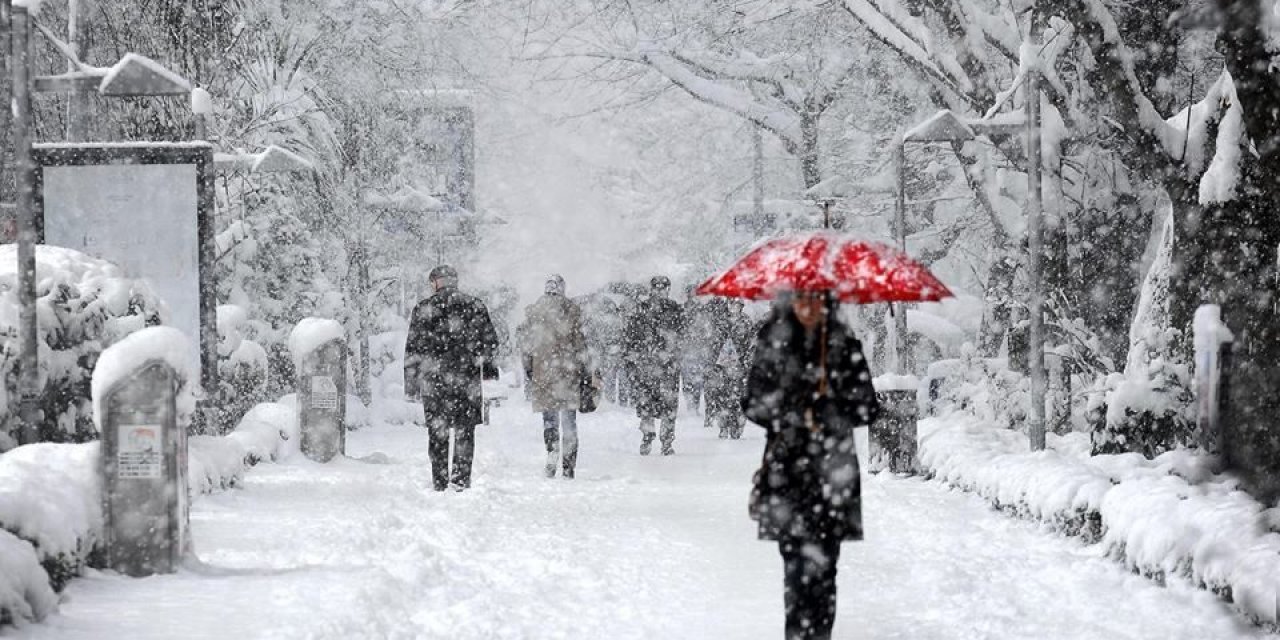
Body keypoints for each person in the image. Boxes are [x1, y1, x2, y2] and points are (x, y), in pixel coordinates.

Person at [742, 290, 879, 640]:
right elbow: (752, 404)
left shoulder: (845, 346)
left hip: (833, 474)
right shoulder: (773, 344)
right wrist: (791, 411)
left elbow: (868, 408)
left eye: (817, 300)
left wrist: (830, 407)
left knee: (825, 571)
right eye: (802, 299)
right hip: (787, 471)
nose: (809, 307)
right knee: (796, 570)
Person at [404, 265, 499, 492]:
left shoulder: (424, 309)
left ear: (436, 282)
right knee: (465, 432)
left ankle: (439, 480)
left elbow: (413, 350)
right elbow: (490, 343)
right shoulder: (475, 306)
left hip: (434, 380)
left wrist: (412, 384)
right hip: (467, 380)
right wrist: (487, 371)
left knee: (438, 431)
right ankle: (460, 480)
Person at [522, 274, 589, 479]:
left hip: (544, 371)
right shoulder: (572, 311)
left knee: (549, 419)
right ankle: (568, 465)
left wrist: (529, 369)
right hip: (567, 372)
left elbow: (527, 344)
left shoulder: (534, 312)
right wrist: (585, 370)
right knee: (569, 421)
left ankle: (552, 452)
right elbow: (580, 345)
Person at [622, 275, 684, 455]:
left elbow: (684, 336)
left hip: (668, 366)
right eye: (656, 287)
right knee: (645, 403)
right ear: (651, 289)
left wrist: (673, 353)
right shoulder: (642, 310)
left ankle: (666, 441)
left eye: (663, 287)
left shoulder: (676, 310)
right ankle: (647, 436)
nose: (659, 291)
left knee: (669, 405)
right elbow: (631, 335)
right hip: (646, 366)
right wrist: (634, 354)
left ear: (668, 289)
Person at [705, 299, 753, 439]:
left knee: (738, 397)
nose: (733, 307)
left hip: (739, 366)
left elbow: (751, 343)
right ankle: (723, 426)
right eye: (731, 304)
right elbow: (712, 342)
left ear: (741, 307)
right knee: (722, 397)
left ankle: (737, 425)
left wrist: (746, 359)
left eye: (737, 304)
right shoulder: (720, 321)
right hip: (722, 366)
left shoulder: (746, 322)